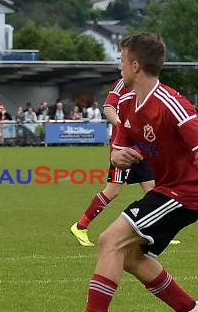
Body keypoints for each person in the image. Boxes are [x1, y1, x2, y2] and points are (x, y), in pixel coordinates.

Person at [46, 33, 198, 312]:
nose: (119, 65)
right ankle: (189, 310)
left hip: (184, 194)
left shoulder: (170, 103)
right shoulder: (127, 102)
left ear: (135, 66)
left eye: (122, 60)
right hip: (165, 191)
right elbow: (119, 149)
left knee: (110, 240)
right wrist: (117, 156)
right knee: (132, 256)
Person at [70, 78, 180, 247]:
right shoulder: (123, 83)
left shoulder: (148, 84)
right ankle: (80, 226)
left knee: (152, 189)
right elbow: (108, 108)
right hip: (122, 150)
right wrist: (124, 127)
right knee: (113, 190)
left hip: (142, 149)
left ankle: (157, 231)